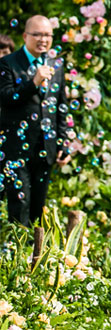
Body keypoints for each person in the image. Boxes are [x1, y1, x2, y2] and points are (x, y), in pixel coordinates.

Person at [0, 15, 70, 229]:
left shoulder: (55, 65)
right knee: (19, 204)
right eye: (37, 34)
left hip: (44, 148)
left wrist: (63, 142)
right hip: (16, 149)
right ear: (25, 36)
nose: (43, 39)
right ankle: (15, 254)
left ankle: (34, 257)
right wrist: (33, 82)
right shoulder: (8, 63)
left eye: (47, 35)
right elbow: (5, 98)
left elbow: (60, 106)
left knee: (38, 207)